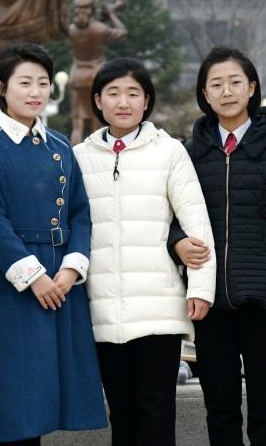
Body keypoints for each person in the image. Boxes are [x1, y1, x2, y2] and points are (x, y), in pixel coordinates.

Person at [174, 45, 266, 446]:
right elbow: (170, 219)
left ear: (252, 87)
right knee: (219, 407)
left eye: (235, 82)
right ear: (204, 95)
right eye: (216, 85)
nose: (226, 92)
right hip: (211, 300)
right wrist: (177, 244)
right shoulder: (188, 155)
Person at [0, 43, 107, 445]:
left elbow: (80, 211)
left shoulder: (59, 145)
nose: (36, 91)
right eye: (24, 82)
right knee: (15, 400)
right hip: (14, 284)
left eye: (43, 83)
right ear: (1, 87)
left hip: (62, 281)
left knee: (47, 394)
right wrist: (33, 276)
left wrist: (73, 267)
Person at [74, 57, 216, 446]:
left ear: (146, 101)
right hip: (102, 309)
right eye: (114, 93)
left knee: (156, 412)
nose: (124, 102)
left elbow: (196, 223)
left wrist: (200, 289)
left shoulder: (169, 152)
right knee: (121, 413)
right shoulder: (78, 157)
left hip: (158, 310)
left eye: (133, 93)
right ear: (98, 100)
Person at [68, 0, 128, 145]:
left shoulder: (71, 30)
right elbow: (122, 32)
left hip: (77, 76)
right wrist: (112, 14)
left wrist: (104, 16)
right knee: (95, 120)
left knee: (78, 124)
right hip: (95, 75)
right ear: (92, 9)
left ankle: (74, 158)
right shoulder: (98, 29)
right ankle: (93, 154)